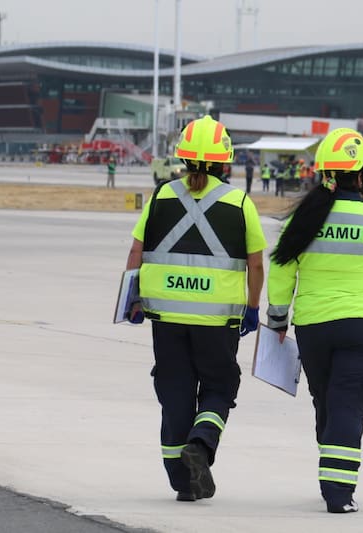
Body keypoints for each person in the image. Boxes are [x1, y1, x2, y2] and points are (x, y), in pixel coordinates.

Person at [266, 127, 363, 514]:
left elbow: (282, 271)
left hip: (314, 328)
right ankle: (338, 492)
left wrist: (278, 318)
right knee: (348, 405)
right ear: (361, 177)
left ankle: (333, 469)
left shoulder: (303, 220)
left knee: (326, 402)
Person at [125, 115, 267, 503]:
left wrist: (131, 300)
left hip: (166, 317)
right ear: (226, 161)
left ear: (183, 157)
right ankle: (202, 443)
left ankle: (182, 482)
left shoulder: (161, 196)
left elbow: (136, 251)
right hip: (218, 320)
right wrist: (253, 307)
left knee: (175, 393)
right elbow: (256, 264)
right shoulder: (239, 202)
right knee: (220, 386)